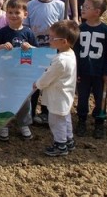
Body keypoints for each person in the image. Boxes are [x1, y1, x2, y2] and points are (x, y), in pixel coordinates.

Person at [0, 0, 38, 141]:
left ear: (25, 14)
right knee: (4, 99)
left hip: (23, 74)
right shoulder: (3, 31)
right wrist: (2, 47)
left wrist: (29, 48)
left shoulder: (28, 32)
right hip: (6, 74)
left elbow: (36, 51)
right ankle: (3, 124)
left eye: (17, 12)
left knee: (24, 99)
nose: (13, 15)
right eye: (10, 12)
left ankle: (23, 124)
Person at [33, 20, 80, 156]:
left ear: (64, 41)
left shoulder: (60, 60)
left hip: (58, 96)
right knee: (65, 118)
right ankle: (69, 140)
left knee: (55, 121)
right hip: (65, 95)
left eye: (53, 38)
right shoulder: (70, 54)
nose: (50, 40)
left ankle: (60, 145)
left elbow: (48, 76)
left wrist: (38, 84)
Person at [25, 0, 65, 125]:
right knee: (34, 83)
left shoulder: (60, 5)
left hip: (52, 51)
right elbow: (27, 28)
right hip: (35, 50)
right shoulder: (31, 6)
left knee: (49, 83)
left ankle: (46, 113)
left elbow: (63, 27)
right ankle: (30, 112)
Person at [75, 0, 107, 139]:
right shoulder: (80, 29)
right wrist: (77, 71)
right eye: (83, 6)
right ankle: (81, 121)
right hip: (84, 71)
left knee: (100, 98)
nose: (82, 9)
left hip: (99, 73)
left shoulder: (106, 31)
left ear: (97, 12)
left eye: (86, 7)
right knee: (82, 98)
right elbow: (76, 51)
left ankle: (99, 123)